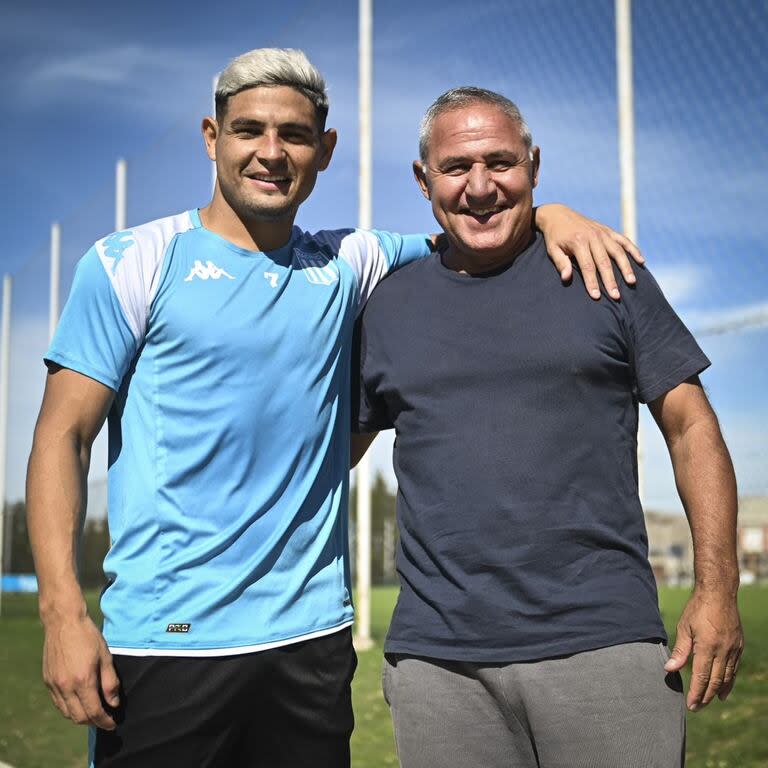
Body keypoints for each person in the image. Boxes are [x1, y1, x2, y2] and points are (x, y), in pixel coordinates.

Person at [26, 49, 642, 767]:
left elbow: (475, 225)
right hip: (168, 641)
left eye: (292, 134)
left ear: (324, 151)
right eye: (248, 129)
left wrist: (555, 213)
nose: (270, 151)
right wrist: (63, 614)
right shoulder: (129, 263)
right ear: (210, 136)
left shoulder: (351, 262)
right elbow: (61, 437)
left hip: (310, 646)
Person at [352, 86, 744, 768]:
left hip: (604, 646)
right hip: (439, 668)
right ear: (423, 181)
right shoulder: (386, 307)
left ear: (534, 164)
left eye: (500, 162)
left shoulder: (605, 271)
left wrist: (718, 590)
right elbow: (329, 461)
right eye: (455, 167)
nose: (480, 186)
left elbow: (691, 428)